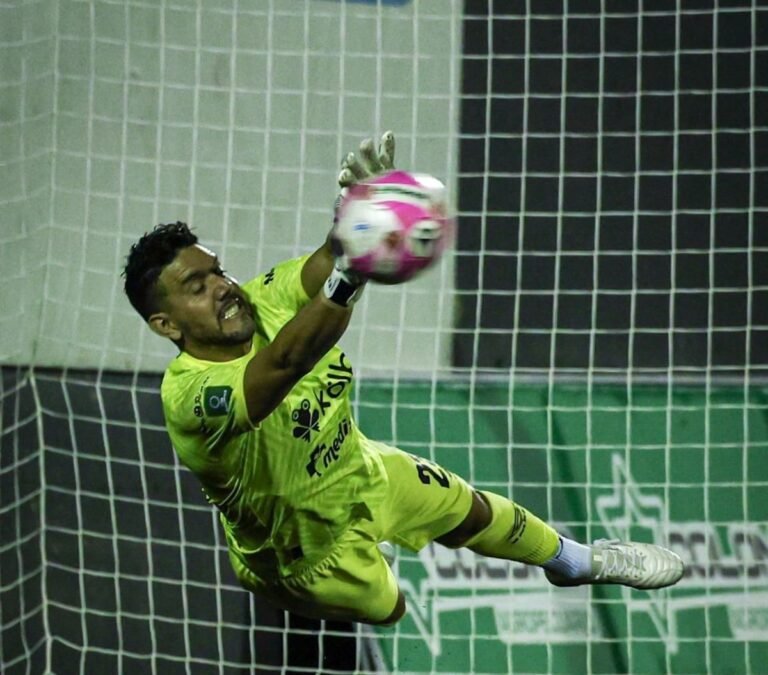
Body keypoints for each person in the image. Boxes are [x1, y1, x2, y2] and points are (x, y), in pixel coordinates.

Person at [122, 132, 684, 626]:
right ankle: (313, 583)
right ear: (165, 324)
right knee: (392, 608)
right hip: (304, 553)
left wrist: (361, 211)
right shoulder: (191, 396)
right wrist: (350, 272)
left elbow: (329, 259)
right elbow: (287, 362)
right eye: (197, 286)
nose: (222, 285)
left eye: (218, 269)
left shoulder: (262, 295)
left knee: (471, 508)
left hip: (357, 469)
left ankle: (579, 563)